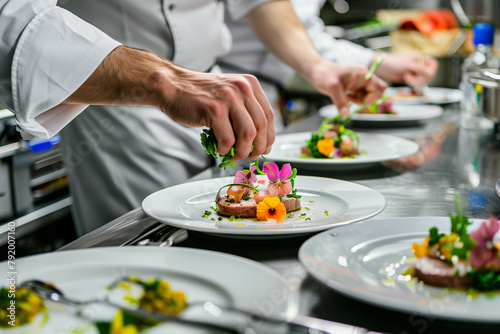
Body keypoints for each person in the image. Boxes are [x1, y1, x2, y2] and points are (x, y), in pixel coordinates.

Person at [1, 0, 386, 236]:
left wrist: (317, 67)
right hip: (115, 104)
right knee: (154, 253)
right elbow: (11, 17)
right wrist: (163, 81)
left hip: (217, 83)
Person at [220, 0, 439, 129]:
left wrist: (377, 61)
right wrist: (318, 67)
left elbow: (305, 32)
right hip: (218, 84)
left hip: (261, 94)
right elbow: (269, 11)